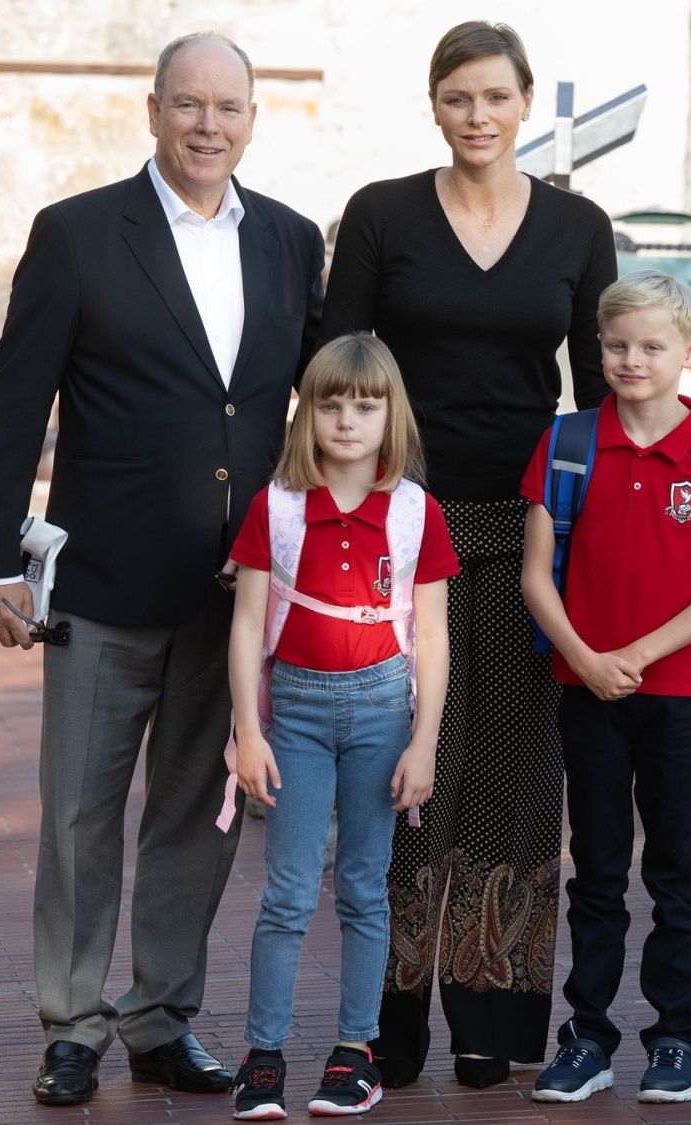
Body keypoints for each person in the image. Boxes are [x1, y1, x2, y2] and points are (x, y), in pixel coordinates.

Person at [0, 32, 323, 1107]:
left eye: (228, 108)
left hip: (235, 598)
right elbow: (16, 399)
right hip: (104, 586)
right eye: (189, 106)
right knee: (78, 816)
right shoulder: (77, 235)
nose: (208, 126)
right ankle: (71, 1023)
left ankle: (160, 1018)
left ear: (254, 118)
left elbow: (329, 398)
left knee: (195, 820)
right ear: (154, 109)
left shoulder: (293, 242)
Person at [320, 21, 617, 1087]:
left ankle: (492, 1022)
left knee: (514, 781)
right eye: (458, 98)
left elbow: (599, 392)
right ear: (435, 105)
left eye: (495, 97)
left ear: (524, 103)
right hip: (395, 531)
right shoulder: (382, 215)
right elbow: (334, 371)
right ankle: (386, 1023)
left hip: (524, 531)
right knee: (401, 778)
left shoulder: (578, 225)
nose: (478, 116)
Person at [520, 271, 691, 1104]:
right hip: (588, 688)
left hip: (684, 695)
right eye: (617, 345)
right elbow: (535, 576)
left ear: (689, 352)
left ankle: (676, 1038)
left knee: (674, 870)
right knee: (593, 870)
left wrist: (637, 652)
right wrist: (589, 658)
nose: (632, 360)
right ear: (597, 349)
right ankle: (587, 1035)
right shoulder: (568, 445)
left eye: (652, 346)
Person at [225, 334, 458, 1118]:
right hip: (292, 711)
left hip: (384, 709)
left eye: (366, 405)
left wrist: (424, 740)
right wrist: (247, 733)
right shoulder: (277, 507)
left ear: (392, 414)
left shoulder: (417, 511)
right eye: (331, 404)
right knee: (287, 890)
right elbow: (248, 622)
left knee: (364, 885)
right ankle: (263, 1056)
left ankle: (356, 1050)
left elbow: (432, 633)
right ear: (308, 413)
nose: (348, 420)